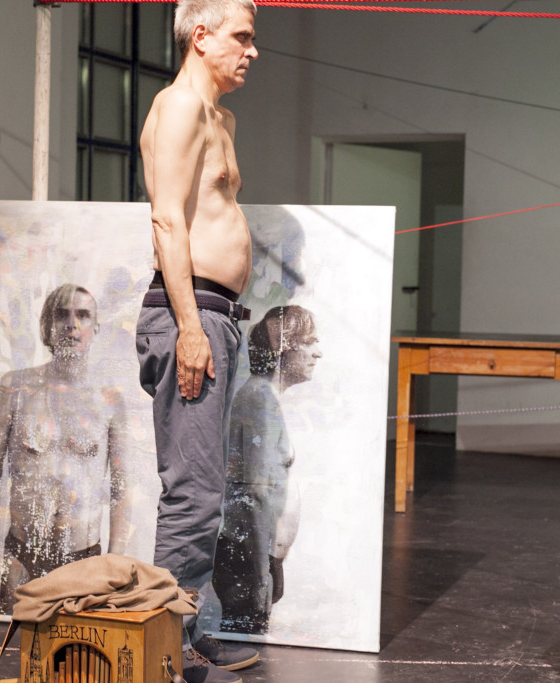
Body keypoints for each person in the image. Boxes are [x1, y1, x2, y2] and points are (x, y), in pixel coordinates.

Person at [135, 1, 259, 680]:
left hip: (216, 315)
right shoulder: (180, 106)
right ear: (200, 35)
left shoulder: (221, 118)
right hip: (191, 314)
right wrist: (188, 327)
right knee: (193, 489)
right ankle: (164, 643)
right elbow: (166, 221)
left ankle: (195, 626)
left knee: (209, 486)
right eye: (242, 36)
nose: (252, 49)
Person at [0, 284, 132, 614]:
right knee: (16, 658)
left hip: (83, 559)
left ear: (95, 328)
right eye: (62, 315)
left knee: (74, 661)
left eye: (83, 315)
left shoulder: (109, 400)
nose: (72, 325)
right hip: (21, 556)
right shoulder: (15, 387)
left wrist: (115, 565)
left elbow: (121, 489)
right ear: (47, 324)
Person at [212, 306, 321, 634]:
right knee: (245, 649)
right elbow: (254, 498)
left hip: (256, 559)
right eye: (310, 342)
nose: (319, 352)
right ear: (284, 345)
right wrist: (259, 578)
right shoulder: (259, 400)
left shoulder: (263, 398)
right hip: (249, 560)